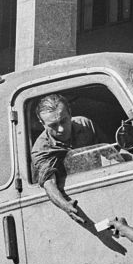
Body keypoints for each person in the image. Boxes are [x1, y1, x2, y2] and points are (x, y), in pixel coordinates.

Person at [30, 94, 97, 226]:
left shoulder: (85, 124)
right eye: (53, 125)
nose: (60, 129)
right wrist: (66, 206)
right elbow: (49, 183)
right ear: (42, 124)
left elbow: (109, 152)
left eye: (64, 121)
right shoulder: (41, 149)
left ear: (70, 114)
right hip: (72, 199)